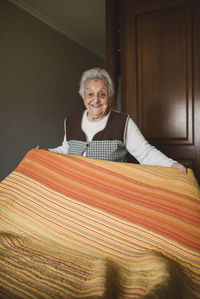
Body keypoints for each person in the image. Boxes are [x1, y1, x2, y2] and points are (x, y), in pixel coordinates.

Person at [45, 68, 186, 173]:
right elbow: (65, 150)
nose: (95, 100)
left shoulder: (123, 123)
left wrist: (172, 165)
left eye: (102, 94)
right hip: (76, 191)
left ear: (110, 98)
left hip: (110, 193)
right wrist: (44, 153)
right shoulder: (71, 121)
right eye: (90, 94)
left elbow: (145, 153)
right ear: (83, 97)